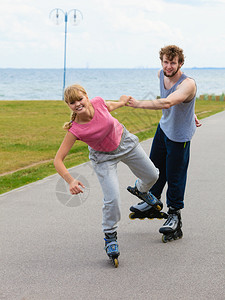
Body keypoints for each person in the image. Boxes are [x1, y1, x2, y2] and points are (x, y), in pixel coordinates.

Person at [54, 84, 162, 266]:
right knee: (112, 198)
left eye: (80, 99)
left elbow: (111, 106)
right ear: (69, 105)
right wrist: (70, 181)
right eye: (72, 102)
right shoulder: (75, 130)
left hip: (125, 143)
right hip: (103, 158)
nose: (77, 104)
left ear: (86, 97)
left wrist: (123, 100)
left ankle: (141, 190)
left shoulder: (98, 103)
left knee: (153, 175)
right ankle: (110, 236)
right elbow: (58, 159)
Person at [127, 45, 201, 242]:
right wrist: (190, 113)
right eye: (166, 62)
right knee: (155, 167)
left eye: (173, 62)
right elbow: (177, 102)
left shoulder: (188, 83)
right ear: (162, 62)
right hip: (164, 128)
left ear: (181, 63)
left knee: (175, 175)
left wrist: (138, 104)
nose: (169, 66)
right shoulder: (161, 74)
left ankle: (175, 215)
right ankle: (153, 201)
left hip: (179, 136)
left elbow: (169, 101)